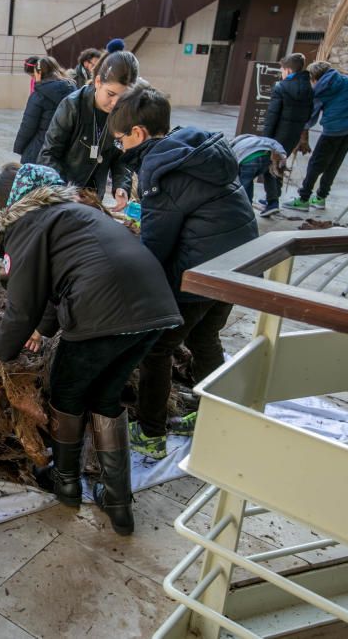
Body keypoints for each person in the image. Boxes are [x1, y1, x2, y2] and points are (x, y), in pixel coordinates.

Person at [0, 163, 182, 535]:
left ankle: (65, 482)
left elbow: (21, 305)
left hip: (102, 312)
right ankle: (118, 501)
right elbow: (58, 283)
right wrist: (43, 328)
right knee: (104, 396)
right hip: (155, 310)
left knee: (66, 390)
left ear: (4, 204)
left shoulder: (25, 224)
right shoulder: (73, 213)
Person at [110, 84, 258, 460]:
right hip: (235, 266)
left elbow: (156, 248)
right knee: (206, 339)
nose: (120, 148)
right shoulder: (192, 150)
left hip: (200, 272)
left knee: (157, 350)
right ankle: (213, 414)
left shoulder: (161, 169)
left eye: (120, 140)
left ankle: (150, 433)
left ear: (138, 134)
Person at [39, 50, 137, 208]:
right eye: (111, 94)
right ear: (98, 82)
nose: (115, 103)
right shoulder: (72, 105)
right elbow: (48, 154)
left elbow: (122, 158)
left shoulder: (124, 114)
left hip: (94, 197)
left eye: (124, 97)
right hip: (62, 194)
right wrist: (66, 191)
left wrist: (121, 186)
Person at [284, 61, 348, 213]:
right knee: (334, 164)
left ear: (314, 77)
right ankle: (320, 198)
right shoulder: (345, 81)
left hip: (333, 130)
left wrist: (302, 137)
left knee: (315, 164)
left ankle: (304, 199)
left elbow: (310, 118)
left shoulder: (320, 89)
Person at [260, 53, 313, 217]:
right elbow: (310, 112)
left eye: (282, 69)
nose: (281, 72)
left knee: (269, 165)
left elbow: (272, 115)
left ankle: (272, 202)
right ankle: (276, 194)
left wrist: (266, 138)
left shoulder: (281, 87)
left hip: (278, 132)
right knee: (281, 161)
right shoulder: (308, 87)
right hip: (294, 133)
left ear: (288, 70)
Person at [13, 57, 76, 164]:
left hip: (41, 148)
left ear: (39, 73)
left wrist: (19, 147)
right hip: (67, 149)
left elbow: (28, 125)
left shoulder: (38, 95)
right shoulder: (73, 90)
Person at [230, 134, 288, 205]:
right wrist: (282, 155)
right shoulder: (259, 139)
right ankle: (273, 203)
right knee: (270, 174)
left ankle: (246, 208)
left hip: (247, 160)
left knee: (246, 185)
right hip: (266, 156)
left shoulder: (233, 145)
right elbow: (276, 144)